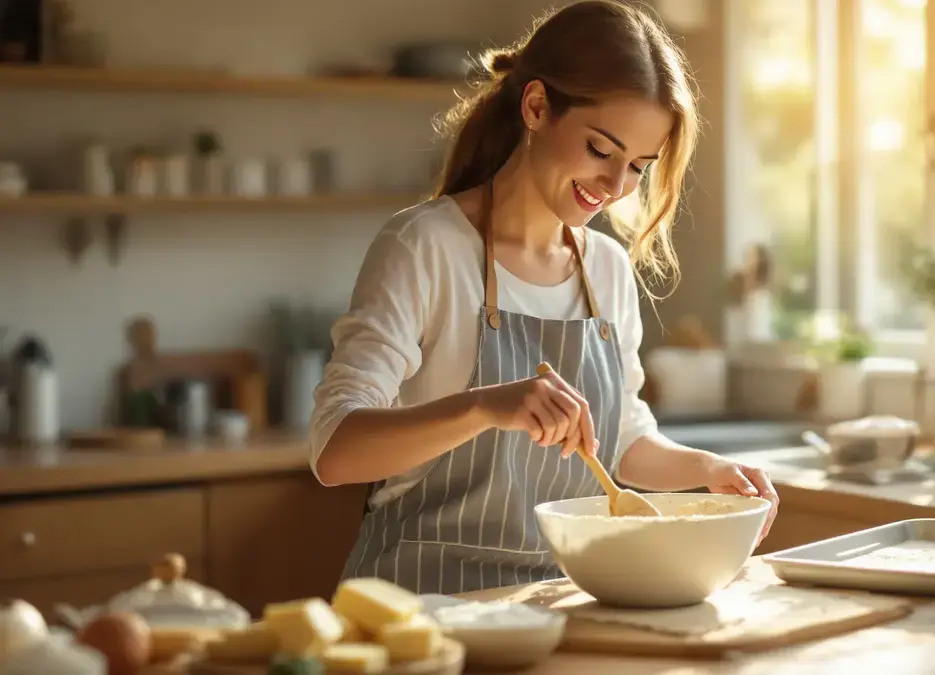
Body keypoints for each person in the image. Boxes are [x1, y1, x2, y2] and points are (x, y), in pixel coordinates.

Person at [309, 0, 778, 595]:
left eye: (638, 166)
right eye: (600, 151)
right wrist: (483, 407)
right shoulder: (425, 246)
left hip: (555, 600)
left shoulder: (604, 267)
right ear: (536, 107)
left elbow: (622, 440)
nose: (615, 187)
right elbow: (335, 451)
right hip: (424, 604)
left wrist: (708, 470)